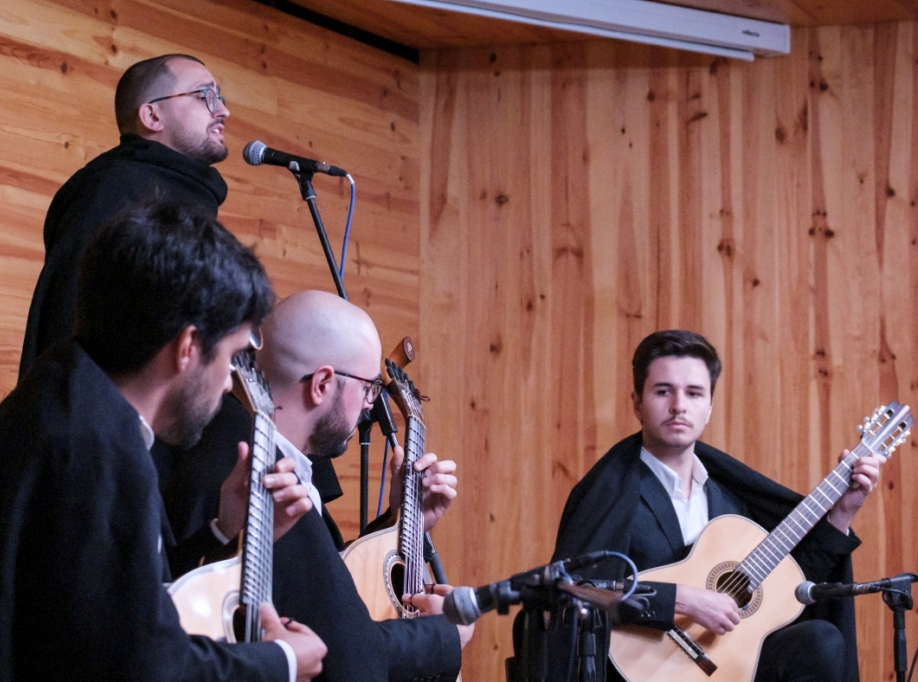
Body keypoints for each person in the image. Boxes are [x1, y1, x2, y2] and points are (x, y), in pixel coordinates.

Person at [0, 202, 326, 682]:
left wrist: (223, 529)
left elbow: (106, 610)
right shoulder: (96, 448)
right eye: (230, 357)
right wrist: (283, 661)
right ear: (187, 347)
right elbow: (140, 668)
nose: (228, 384)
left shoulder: (65, 396)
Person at [164, 289, 470, 681]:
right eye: (369, 388)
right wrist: (447, 634)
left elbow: (326, 594)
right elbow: (349, 655)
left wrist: (401, 522)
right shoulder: (258, 475)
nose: (369, 405)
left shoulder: (245, 451)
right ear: (322, 383)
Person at [551, 330, 884, 682]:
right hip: (641, 673)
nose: (679, 405)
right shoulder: (608, 492)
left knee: (821, 642)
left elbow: (788, 586)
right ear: (637, 403)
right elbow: (571, 590)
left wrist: (842, 512)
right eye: (663, 391)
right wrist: (680, 600)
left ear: (709, 406)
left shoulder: (728, 499)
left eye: (694, 393)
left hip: (723, 669)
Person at [21, 53, 232, 372]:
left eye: (220, 97)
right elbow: (73, 319)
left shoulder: (186, 196)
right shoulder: (114, 190)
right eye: (205, 96)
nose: (223, 111)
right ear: (152, 116)